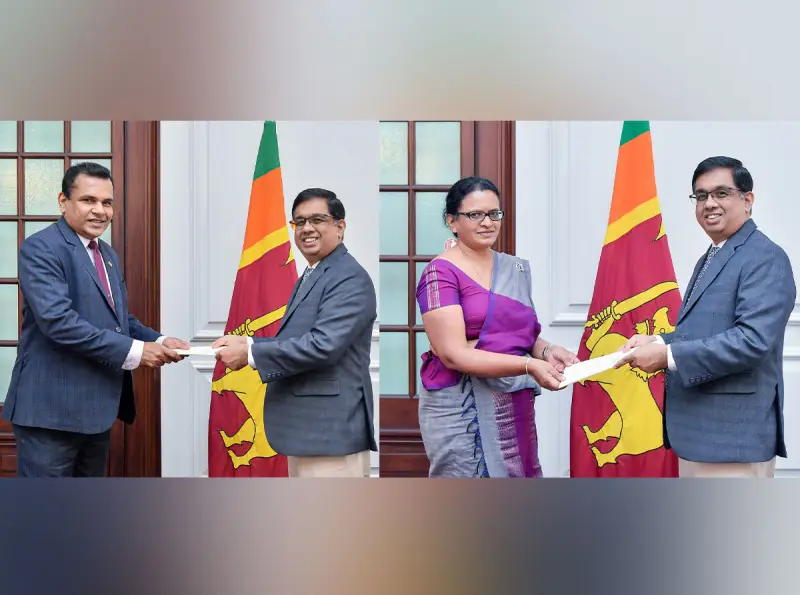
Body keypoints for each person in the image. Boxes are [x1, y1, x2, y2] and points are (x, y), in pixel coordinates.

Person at [4, 162, 190, 477]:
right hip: (50, 415)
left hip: (96, 412)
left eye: (107, 202)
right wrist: (138, 352)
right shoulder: (41, 248)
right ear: (63, 201)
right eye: (88, 200)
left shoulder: (106, 254)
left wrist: (158, 340)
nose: (100, 211)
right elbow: (59, 322)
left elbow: (119, 319)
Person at [616, 156, 796, 478]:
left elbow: (751, 341)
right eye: (701, 196)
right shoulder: (713, 256)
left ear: (748, 200)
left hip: (732, 441)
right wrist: (657, 340)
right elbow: (705, 331)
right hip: (699, 437)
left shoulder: (765, 257)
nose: (709, 203)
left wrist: (667, 356)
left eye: (721, 193)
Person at [415, 176, 579, 478]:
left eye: (494, 213)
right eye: (475, 214)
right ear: (452, 221)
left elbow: (519, 335)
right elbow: (452, 354)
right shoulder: (440, 273)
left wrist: (547, 351)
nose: (487, 222)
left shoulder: (513, 268)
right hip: (462, 406)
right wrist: (528, 365)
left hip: (513, 400)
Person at [213, 188, 376, 478]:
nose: (307, 228)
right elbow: (298, 339)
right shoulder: (315, 273)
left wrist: (249, 353)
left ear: (340, 226)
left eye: (317, 219)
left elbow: (323, 345)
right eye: (299, 222)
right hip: (307, 434)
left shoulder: (348, 277)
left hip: (329, 436)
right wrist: (248, 340)